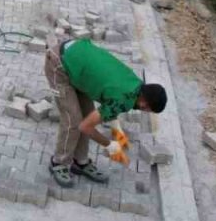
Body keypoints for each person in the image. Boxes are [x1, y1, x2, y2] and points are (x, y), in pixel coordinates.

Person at [44, 35, 168, 188]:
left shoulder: (135, 85)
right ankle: (58, 162)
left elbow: (111, 103)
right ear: (145, 103)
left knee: (87, 114)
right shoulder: (123, 98)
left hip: (78, 64)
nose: (146, 112)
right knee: (74, 121)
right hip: (59, 64)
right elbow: (85, 127)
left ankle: (80, 162)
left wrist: (117, 130)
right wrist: (109, 145)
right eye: (148, 110)